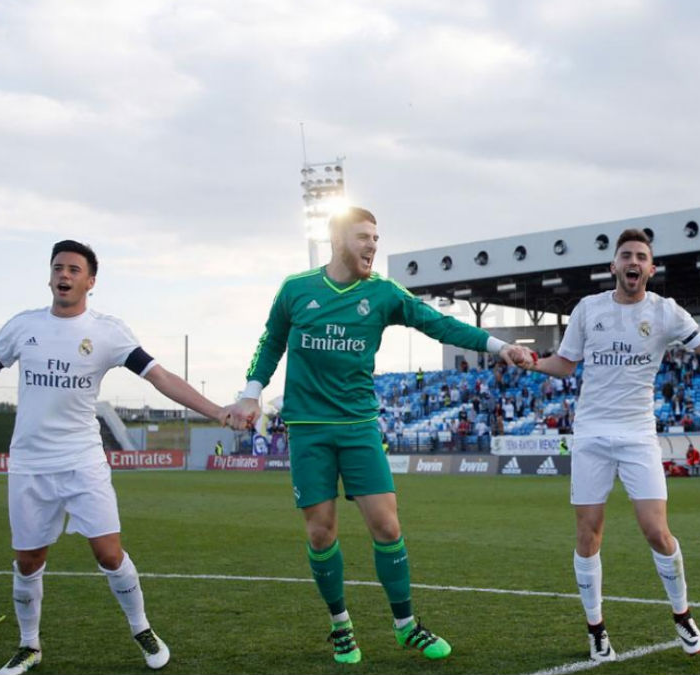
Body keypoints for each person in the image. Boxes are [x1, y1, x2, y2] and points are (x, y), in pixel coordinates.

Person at [227, 207, 532, 665]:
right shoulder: (296, 289)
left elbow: (438, 324)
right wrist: (251, 394)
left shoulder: (383, 294)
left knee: (387, 526)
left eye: (376, 237)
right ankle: (340, 625)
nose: (372, 245)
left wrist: (497, 346)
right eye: (363, 237)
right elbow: (271, 341)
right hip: (309, 429)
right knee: (320, 533)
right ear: (336, 240)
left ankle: (406, 626)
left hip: (359, 425)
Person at [0, 240, 230, 675]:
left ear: (90, 281)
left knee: (109, 554)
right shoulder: (23, 327)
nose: (65, 275)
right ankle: (28, 645)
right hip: (30, 465)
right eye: (59, 268)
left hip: (83, 461)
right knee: (28, 560)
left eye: (75, 269)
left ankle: (142, 629)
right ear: (50, 276)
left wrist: (217, 411)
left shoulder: (108, 332)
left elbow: (161, 377)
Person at [527, 228, 700, 662]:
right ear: (614, 265)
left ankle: (683, 614)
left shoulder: (667, 312)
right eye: (626, 255)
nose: (633, 262)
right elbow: (564, 365)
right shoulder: (588, 309)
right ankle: (596, 629)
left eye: (641, 257)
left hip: (638, 435)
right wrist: (533, 362)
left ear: (651, 269)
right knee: (587, 534)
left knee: (657, 531)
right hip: (592, 434)